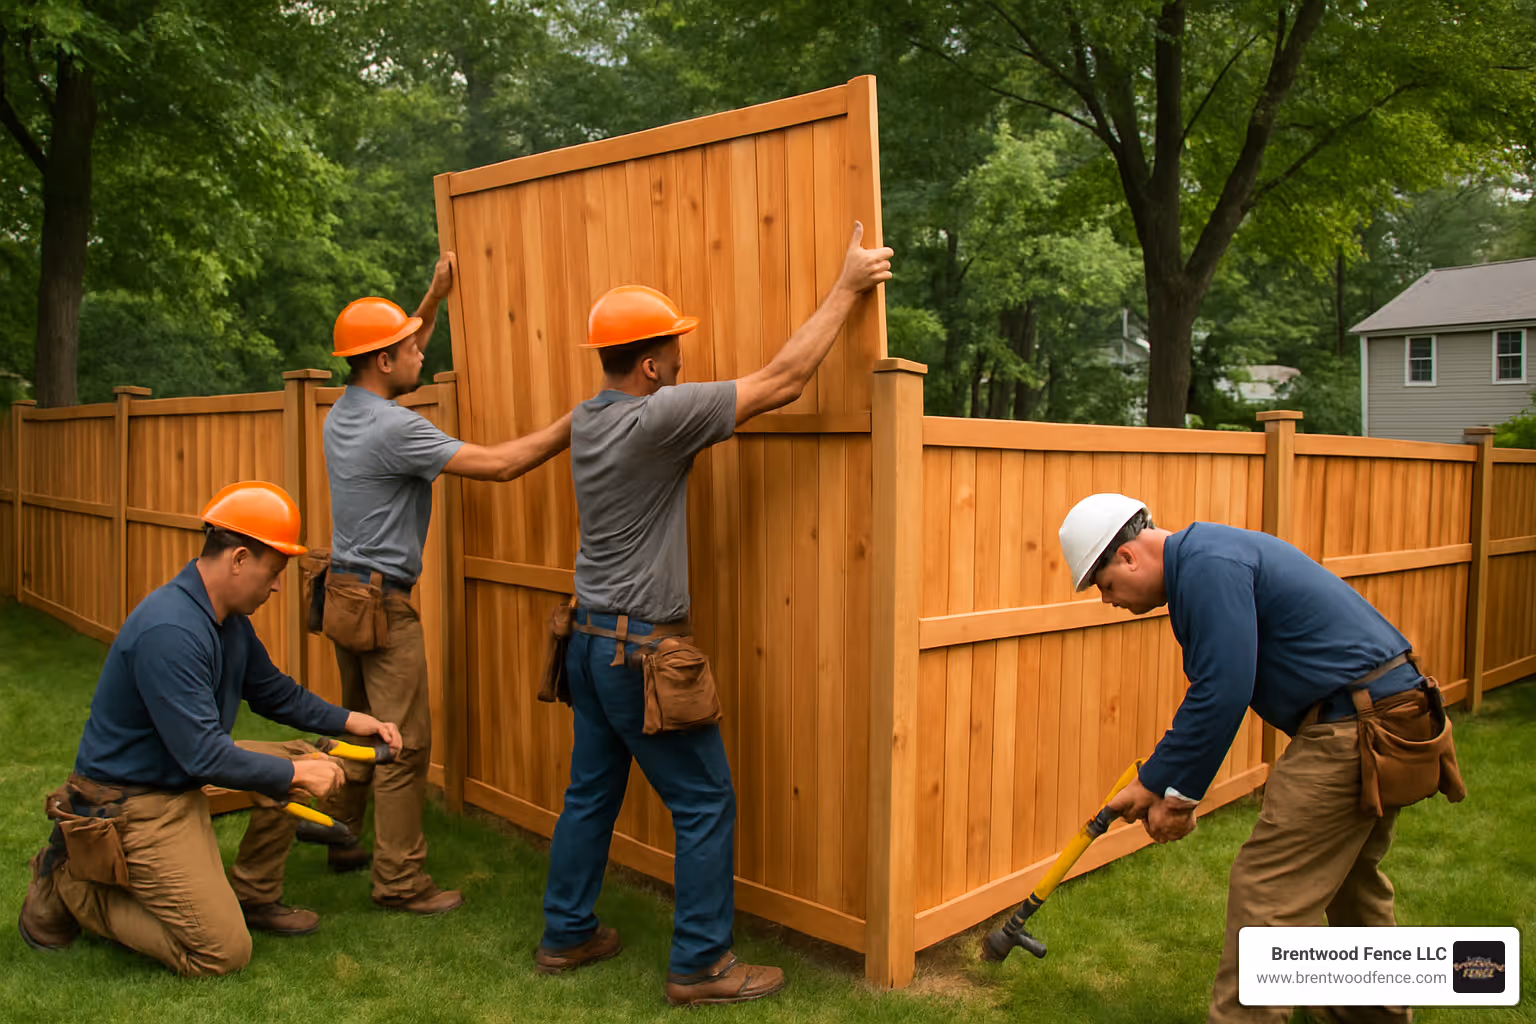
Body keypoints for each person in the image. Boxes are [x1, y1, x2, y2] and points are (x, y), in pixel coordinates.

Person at [536, 222, 893, 1006]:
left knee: (590, 795)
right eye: (676, 351)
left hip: (589, 644)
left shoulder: (590, 418)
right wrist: (849, 285)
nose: (684, 362)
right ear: (653, 363)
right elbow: (785, 380)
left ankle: (567, 934)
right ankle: (701, 965)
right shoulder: (655, 418)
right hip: (637, 651)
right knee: (704, 801)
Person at [1057, 493, 1465, 1024]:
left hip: (1355, 727)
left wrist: (1177, 798)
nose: (1108, 600)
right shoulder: (1210, 556)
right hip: (1389, 714)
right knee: (1350, 882)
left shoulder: (1206, 566)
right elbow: (1221, 687)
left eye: (1106, 586)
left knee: (1263, 891)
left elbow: (1222, 690)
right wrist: (1154, 780)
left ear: (1130, 557)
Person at [17, 481, 402, 976]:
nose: (279, 585)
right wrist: (295, 776)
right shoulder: (171, 631)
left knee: (296, 756)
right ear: (239, 558)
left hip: (178, 772)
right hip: (136, 801)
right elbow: (203, 756)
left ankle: (256, 896)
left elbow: (273, 692)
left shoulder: (227, 621)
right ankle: (75, 884)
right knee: (221, 952)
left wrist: (353, 721)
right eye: (275, 570)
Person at [319, 253, 572, 914]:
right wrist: (580, 420)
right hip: (382, 604)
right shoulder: (397, 430)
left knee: (352, 725)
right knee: (402, 744)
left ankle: (339, 834)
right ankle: (399, 882)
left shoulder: (341, 413)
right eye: (410, 349)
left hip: (342, 593)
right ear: (382, 361)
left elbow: (402, 343)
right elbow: (501, 464)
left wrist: (431, 297)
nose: (421, 356)